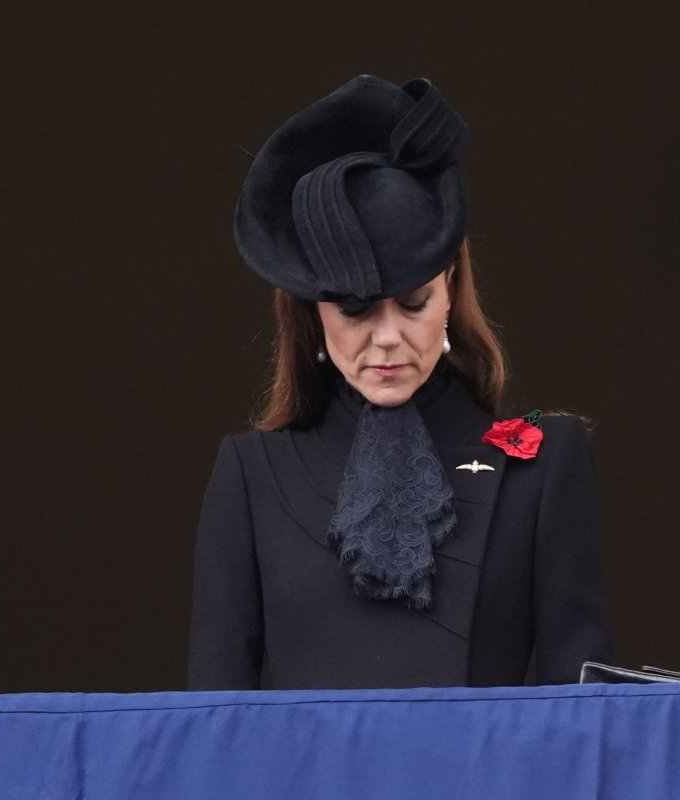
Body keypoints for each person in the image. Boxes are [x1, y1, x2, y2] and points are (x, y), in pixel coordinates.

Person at [188, 75, 611, 690]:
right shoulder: (251, 475)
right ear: (311, 313)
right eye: (356, 310)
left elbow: (587, 723)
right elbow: (212, 726)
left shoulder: (546, 464)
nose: (387, 337)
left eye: (413, 303)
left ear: (450, 292)